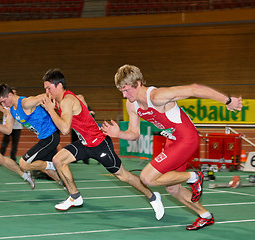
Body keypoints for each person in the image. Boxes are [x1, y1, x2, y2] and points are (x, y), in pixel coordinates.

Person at [101, 64, 243, 230]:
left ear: (138, 83)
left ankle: (193, 177)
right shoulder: (131, 105)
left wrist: (227, 100)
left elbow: (194, 89)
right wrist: (119, 134)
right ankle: (206, 216)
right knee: (173, 188)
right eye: (122, 91)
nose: (125, 95)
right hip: (173, 142)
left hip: (186, 139)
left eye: (127, 90)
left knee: (147, 178)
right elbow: (134, 133)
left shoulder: (156, 96)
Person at [41, 68, 164, 221]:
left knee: (123, 176)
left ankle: (153, 197)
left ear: (59, 86)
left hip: (100, 144)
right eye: (45, 88)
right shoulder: (62, 100)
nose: (47, 92)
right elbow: (79, 98)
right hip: (85, 144)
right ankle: (75, 196)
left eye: (48, 88)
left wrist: (51, 111)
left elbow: (65, 129)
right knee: (58, 160)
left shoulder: (66, 101)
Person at [0, 83, 62, 187]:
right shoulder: (11, 110)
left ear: (10, 95)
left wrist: (56, 97)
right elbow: (8, 130)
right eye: (1, 103)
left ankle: (53, 165)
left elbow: (41, 97)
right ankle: (65, 185)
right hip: (44, 138)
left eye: (4, 101)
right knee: (45, 169)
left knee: (24, 164)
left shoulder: (25, 103)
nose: (3, 105)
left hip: (51, 135)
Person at [0, 88, 23, 163]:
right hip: (8, 126)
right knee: (4, 142)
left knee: (15, 144)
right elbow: (6, 113)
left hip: (17, 127)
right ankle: (0, 158)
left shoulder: (20, 103)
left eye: (15, 92)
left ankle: (13, 158)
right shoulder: (6, 102)